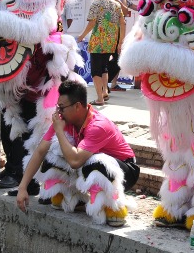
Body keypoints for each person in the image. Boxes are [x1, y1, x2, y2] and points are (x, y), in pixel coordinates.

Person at [16, 80, 138, 227]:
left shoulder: (98, 125)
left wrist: (59, 131)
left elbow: (75, 161)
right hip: (89, 164)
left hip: (123, 171)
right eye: (57, 107)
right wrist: (22, 187)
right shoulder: (64, 120)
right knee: (53, 153)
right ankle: (74, 197)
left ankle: (114, 207)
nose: (58, 112)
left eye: (61, 108)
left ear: (77, 106)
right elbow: (40, 151)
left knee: (96, 162)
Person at [77, 0, 125, 106]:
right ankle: (104, 92)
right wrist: (120, 42)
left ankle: (99, 98)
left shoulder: (96, 4)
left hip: (98, 42)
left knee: (96, 71)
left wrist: (81, 36)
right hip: (111, 42)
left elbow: (92, 23)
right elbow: (123, 23)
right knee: (104, 67)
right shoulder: (116, 4)